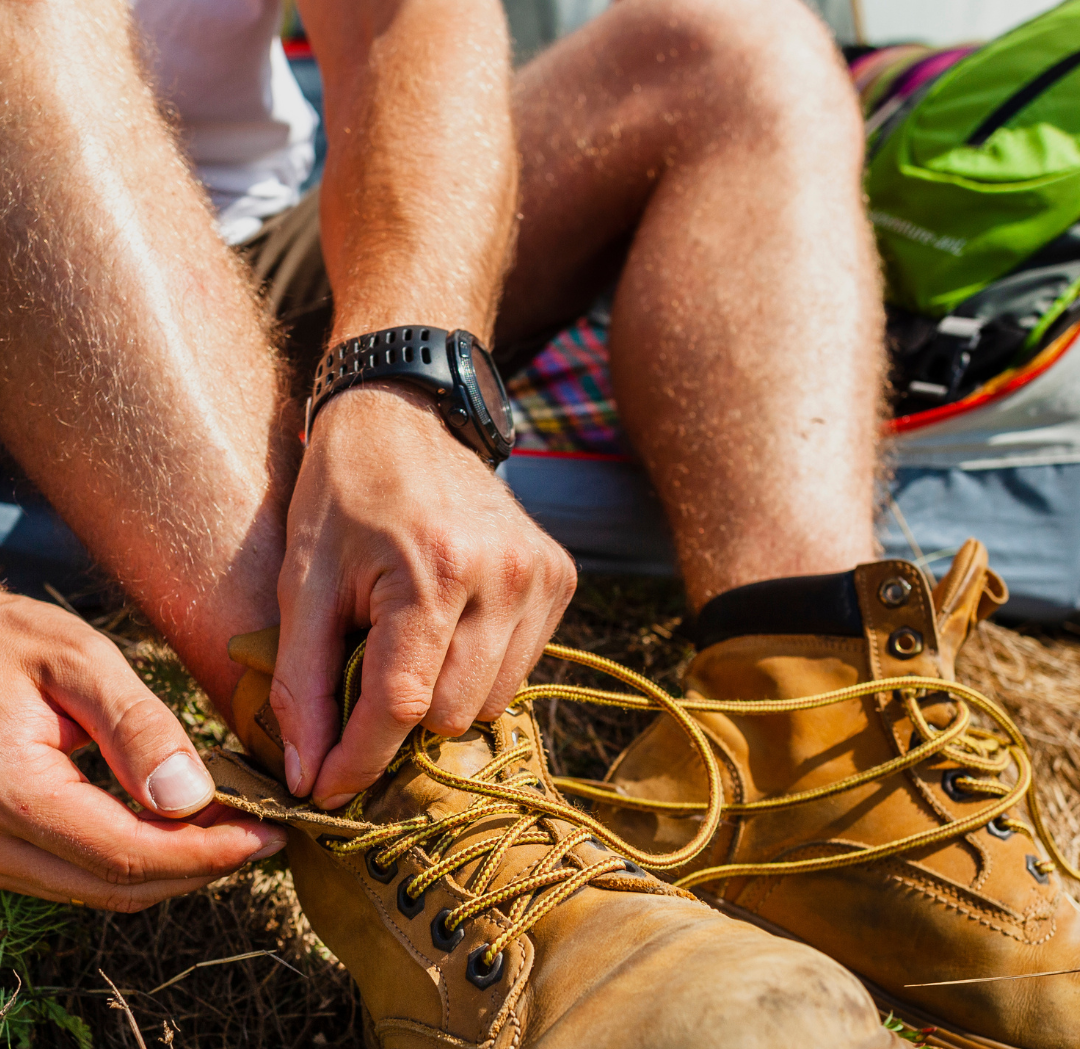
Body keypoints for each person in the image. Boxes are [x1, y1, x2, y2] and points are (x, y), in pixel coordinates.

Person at [0, 0, 880, 905]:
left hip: (227, 265)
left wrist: (400, 381)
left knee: (734, 46)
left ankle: (838, 752)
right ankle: (395, 795)